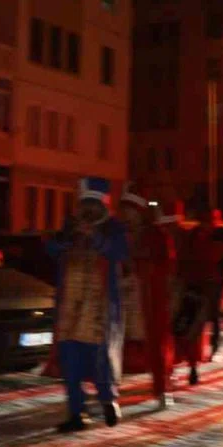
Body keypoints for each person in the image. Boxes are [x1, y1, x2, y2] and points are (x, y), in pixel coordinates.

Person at [49, 177, 129, 431]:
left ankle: (108, 400)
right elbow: (51, 248)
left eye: (94, 206)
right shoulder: (70, 226)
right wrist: (68, 238)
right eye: (85, 205)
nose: (89, 211)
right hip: (69, 307)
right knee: (70, 361)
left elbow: (120, 253)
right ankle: (77, 413)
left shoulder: (113, 228)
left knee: (101, 360)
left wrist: (94, 237)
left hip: (99, 307)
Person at [119, 184, 176, 408]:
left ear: (139, 211)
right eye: (124, 210)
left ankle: (163, 388)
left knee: (157, 343)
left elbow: (168, 266)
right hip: (130, 295)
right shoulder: (122, 234)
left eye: (130, 210)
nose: (126, 215)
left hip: (153, 295)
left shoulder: (155, 234)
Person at [175, 208, 223, 385]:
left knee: (204, 319)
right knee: (196, 322)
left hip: (206, 283)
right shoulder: (198, 235)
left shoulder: (217, 235)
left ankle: (202, 357)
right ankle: (193, 363)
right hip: (200, 284)